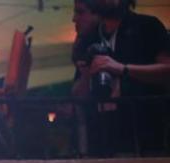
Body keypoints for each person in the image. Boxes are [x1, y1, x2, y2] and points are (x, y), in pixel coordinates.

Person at [71, 0, 170, 153]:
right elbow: (77, 95)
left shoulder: (147, 25)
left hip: (145, 135)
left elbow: (167, 69)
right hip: (103, 139)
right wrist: (86, 76)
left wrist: (122, 69)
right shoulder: (90, 37)